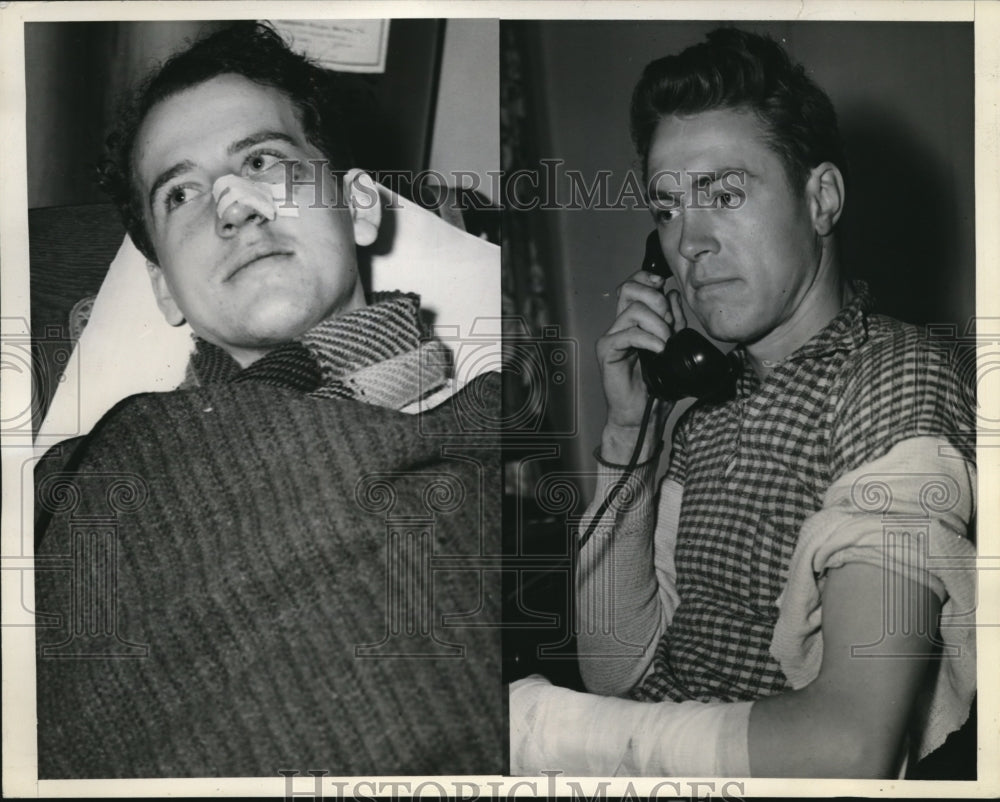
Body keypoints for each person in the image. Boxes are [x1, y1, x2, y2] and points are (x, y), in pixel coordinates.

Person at [34, 22, 502, 778]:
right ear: (163, 289)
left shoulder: (502, 437)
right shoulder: (84, 479)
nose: (234, 207)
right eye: (181, 193)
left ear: (359, 207)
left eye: (262, 160)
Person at [510, 27, 976, 779]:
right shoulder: (706, 410)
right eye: (667, 209)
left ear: (821, 199)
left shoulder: (895, 381)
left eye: (725, 195)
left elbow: (848, 748)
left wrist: (545, 728)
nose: (688, 242)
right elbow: (615, 667)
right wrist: (629, 432)